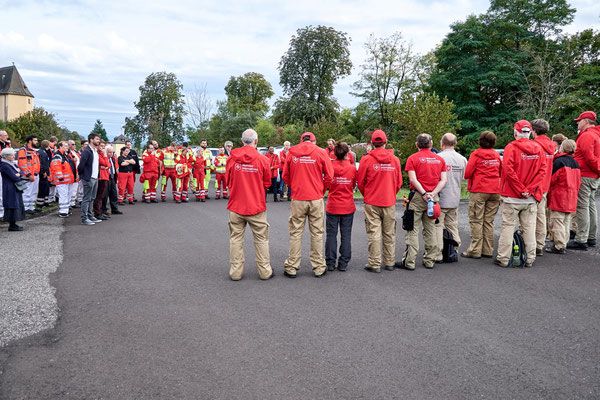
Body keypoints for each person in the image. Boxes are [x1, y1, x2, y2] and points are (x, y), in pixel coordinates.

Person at [495, 120, 547, 268]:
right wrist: (529, 189)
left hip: (512, 196)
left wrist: (521, 189)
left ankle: (503, 258)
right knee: (529, 228)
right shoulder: (538, 148)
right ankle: (530, 258)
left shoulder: (511, 147)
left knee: (507, 227)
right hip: (530, 198)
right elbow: (542, 172)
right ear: (529, 132)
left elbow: (508, 170)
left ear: (516, 132)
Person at [282, 132, 334, 278]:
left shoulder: (292, 153)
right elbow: (330, 176)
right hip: (315, 197)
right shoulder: (321, 152)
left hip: (298, 198)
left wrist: (296, 187)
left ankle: (292, 266)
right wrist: (321, 189)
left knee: (295, 232)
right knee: (317, 232)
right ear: (314, 141)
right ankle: (318, 266)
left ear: (301, 140)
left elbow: (285, 175)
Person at [225, 129, 273, 281]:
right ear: (256, 141)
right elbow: (267, 183)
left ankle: (235, 272)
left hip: (236, 205)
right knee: (261, 239)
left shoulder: (232, 159)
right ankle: (264, 271)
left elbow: (227, 180)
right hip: (256, 206)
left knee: (236, 239)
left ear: (241, 141)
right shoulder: (263, 160)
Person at [357, 130, 402, 272]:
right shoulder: (394, 160)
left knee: (374, 233)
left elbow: (361, 181)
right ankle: (389, 261)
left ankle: (374, 263)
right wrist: (391, 194)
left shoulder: (366, 159)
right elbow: (399, 182)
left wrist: (367, 194)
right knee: (389, 233)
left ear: (372, 143)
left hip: (372, 201)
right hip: (389, 201)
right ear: (385, 142)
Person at [401, 133, 447, 270]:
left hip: (417, 197)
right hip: (433, 198)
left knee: (412, 229)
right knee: (431, 229)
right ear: (431, 144)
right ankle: (429, 260)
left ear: (417, 144)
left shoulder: (413, 159)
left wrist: (424, 193)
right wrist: (432, 193)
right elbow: (443, 180)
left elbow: (413, 180)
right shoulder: (439, 160)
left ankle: (409, 261)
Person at [462, 131, 502, 259]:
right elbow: (501, 171)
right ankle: (487, 249)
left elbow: (467, 173)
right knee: (488, 221)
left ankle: (475, 250)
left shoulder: (476, 154)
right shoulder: (496, 155)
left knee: (476, 220)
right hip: (495, 190)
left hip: (479, 189)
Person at [568, 111, 600, 250]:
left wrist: (597, 169)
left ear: (586, 121)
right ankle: (591, 236)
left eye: (579, 120)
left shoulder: (587, 135)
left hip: (585, 174)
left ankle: (582, 239)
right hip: (593, 175)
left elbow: (589, 157)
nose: (578, 123)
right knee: (591, 205)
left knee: (582, 207)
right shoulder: (596, 135)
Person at [326, 142, 358, 272]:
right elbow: (353, 184)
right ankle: (343, 262)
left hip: (333, 205)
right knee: (346, 235)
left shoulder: (331, 166)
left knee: (331, 235)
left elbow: (327, 183)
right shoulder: (352, 168)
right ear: (347, 154)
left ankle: (330, 262)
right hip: (347, 205)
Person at [435, 133, 467, 261]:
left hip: (441, 197)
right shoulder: (462, 159)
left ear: (442, 143)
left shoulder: (438, 158)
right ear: (455, 143)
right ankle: (454, 247)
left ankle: (438, 251)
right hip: (455, 197)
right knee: (452, 224)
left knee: (437, 225)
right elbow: (464, 177)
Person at [546, 139, 581, 254]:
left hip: (560, 196)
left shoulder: (559, 162)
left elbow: (552, 179)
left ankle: (559, 245)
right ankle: (563, 242)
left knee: (557, 221)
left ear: (563, 148)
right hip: (571, 195)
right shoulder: (575, 163)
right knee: (566, 221)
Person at [531, 119, 557, 256]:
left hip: (534, 184)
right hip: (545, 184)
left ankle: (530, 243)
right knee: (541, 215)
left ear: (533, 131)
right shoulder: (552, 145)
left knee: (529, 216)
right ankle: (539, 244)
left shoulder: (534, 145)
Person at [78, 133, 102, 225]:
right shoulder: (87, 151)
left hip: (95, 178)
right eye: (96, 139)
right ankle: (84, 218)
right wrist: (83, 176)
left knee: (92, 198)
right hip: (88, 178)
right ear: (91, 140)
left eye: (98, 139)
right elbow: (81, 166)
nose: (98, 141)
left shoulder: (95, 151)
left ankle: (90, 216)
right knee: (86, 198)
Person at [1, 147, 25, 231]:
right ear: (6, 156)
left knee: (16, 204)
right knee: (12, 205)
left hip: (14, 187)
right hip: (9, 188)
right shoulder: (4, 165)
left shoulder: (11, 163)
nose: (14, 156)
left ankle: (14, 224)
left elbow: (22, 172)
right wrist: (18, 174)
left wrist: (18, 174)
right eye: (12, 155)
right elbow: (14, 177)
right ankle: (12, 225)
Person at [49, 141, 75, 218]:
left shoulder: (65, 155)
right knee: (63, 195)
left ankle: (66, 209)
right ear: (60, 146)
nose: (67, 147)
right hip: (62, 180)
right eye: (65, 146)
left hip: (67, 180)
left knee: (67, 195)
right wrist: (60, 177)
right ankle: (63, 211)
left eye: (67, 146)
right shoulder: (58, 155)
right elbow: (56, 166)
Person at [17, 135, 41, 214]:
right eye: (35, 140)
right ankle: (25, 208)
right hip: (28, 176)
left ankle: (31, 207)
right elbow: (22, 164)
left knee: (34, 192)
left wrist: (36, 173)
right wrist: (29, 174)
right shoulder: (23, 150)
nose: (36, 142)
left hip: (35, 175)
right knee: (27, 192)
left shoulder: (34, 151)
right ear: (30, 141)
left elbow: (36, 163)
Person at [102, 145, 122, 216]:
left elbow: (115, 168)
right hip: (106, 177)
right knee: (105, 195)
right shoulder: (104, 159)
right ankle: (103, 210)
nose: (111, 154)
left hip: (112, 177)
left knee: (113, 194)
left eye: (112, 152)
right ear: (106, 152)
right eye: (109, 152)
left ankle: (114, 209)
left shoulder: (112, 159)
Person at [92, 141, 110, 219]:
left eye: (103, 146)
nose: (102, 148)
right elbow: (105, 163)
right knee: (98, 196)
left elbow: (108, 165)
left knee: (102, 196)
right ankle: (97, 213)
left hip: (105, 176)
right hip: (100, 177)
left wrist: (105, 165)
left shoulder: (102, 154)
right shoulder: (98, 154)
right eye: (101, 146)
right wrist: (105, 156)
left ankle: (100, 211)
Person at [36, 140, 52, 209]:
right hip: (43, 173)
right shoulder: (41, 152)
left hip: (46, 172)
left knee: (46, 188)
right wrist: (43, 172)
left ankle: (45, 202)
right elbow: (41, 164)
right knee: (42, 188)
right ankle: (40, 204)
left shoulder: (44, 152)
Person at [0, 130, 11, 220]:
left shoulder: (6, 144)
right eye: (5, 135)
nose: (7, 137)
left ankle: (4, 211)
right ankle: (1, 212)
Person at [67, 140, 81, 208]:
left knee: (75, 188)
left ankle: (73, 202)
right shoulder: (68, 153)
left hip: (77, 171)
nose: (74, 145)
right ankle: (70, 203)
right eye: (72, 144)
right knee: (71, 188)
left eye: (74, 144)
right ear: (69, 145)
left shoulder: (76, 152)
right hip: (72, 172)